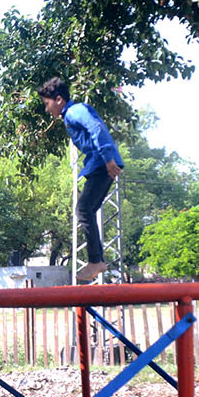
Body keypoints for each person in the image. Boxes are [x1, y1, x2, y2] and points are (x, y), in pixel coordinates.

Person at [38, 77, 124, 281]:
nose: (46, 109)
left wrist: (108, 158)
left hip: (102, 164)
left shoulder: (75, 111)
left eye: (47, 103)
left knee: (83, 210)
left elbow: (96, 128)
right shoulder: (70, 115)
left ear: (58, 99)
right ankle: (97, 260)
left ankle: (96, 261)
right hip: (99, 164)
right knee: (87, 210)